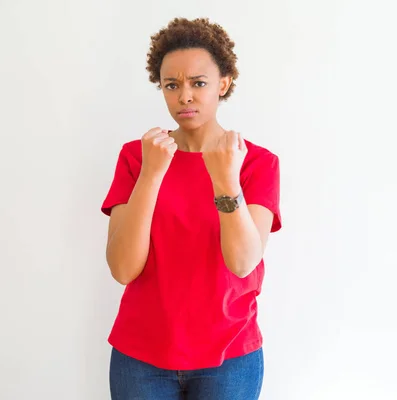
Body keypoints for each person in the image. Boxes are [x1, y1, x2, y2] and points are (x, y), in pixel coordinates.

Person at [100, 17, 282, 399]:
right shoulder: (138, 157)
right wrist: (152, 175)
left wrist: (226, 181)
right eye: (172, 85)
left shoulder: (256, 163)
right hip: (141, 356)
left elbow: (243, 262)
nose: (185, 96)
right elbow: (121, 267)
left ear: (224, 84)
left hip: (230, 357)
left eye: (198, 83)